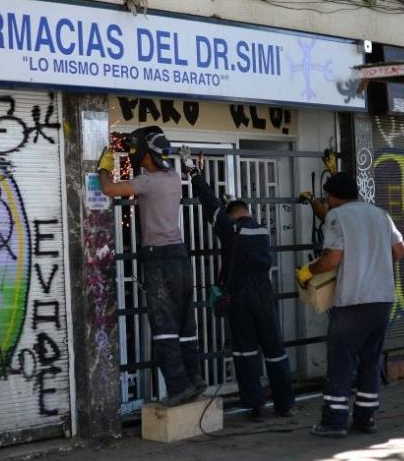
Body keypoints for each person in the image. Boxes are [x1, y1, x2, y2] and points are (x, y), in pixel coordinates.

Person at [96, 126, 205, 407]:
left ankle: (178, 387)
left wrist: (104, 166)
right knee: (185, 323)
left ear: (147, 154)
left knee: (164, 325)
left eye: (138, 151)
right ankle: (195, 379)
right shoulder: (172, 178)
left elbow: (108, 189)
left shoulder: (148, 182)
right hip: (180, 256)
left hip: (158, 258)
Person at [183, 148, 295, 418]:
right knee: (275, 350)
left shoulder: (230, 229)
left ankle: (254, 405)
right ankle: (285, 404)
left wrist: (195, 175)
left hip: (240, 296)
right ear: (248, 211)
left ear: (231, 216)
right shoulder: (261, 230)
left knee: (245, 352)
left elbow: (210, 205)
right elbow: (224, 210)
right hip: (265, 294)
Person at [296, 173, 404, 438]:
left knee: (341, 359)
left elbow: (332, 259)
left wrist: (308, 272)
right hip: (382, 300)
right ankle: (365, 419)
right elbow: (400, 250)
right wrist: (373, 256)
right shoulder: (381, 215)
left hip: (353, 301)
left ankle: (334, 421)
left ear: (333, 197)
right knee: (370, 359)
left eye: (327, 197)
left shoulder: (337, 217)